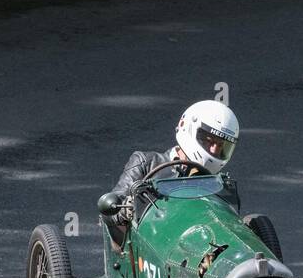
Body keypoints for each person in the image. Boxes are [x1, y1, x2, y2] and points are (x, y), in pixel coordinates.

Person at [100, 99, 239, 249]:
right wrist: (123, 211)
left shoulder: (219, 184)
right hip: (149, 250)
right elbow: (109, 209)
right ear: (188, 128)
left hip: (198, 248)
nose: (213, 150)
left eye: (220, 146)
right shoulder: (146, 163)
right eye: (209, 140)